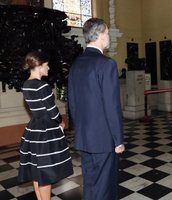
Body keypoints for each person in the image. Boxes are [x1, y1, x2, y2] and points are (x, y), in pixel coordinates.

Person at [68, 18, 125, 200]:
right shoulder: (106, 64)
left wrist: (80, 131)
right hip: (103, 139)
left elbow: (73, 104)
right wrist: (118, 140)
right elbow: (112, 106)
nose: (109, 37)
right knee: (104, 189)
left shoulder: (76, 65)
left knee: (91, 186)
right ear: (100, 35)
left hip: (84, 138)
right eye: (107, 33)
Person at [18, 51, 73, 200]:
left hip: (34, 128)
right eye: (47, 65)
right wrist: (61, 122)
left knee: (37, 170)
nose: (48, 68)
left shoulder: (26, 85)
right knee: (46, 173)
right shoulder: (42, 86)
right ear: (39, 66)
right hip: (46, 130)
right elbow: (53, 111)